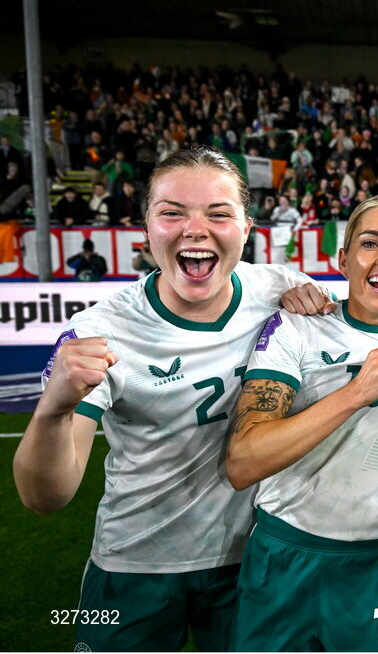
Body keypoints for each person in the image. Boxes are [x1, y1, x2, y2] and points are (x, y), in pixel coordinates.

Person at [13, 147, 319, 652]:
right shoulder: (101, 331)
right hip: (134, 566)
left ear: (247, 227)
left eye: (218, 213)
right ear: (146, 230)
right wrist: (53, 407)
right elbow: (46, 497)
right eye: (172, 212)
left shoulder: (285, 292)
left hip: (253, 561)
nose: (195, 229)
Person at [225, 194, 378, 652]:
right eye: (370, 243)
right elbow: (242, 461)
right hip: (283, 556)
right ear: (343, 259)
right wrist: (357, 393)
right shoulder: (296, 328)